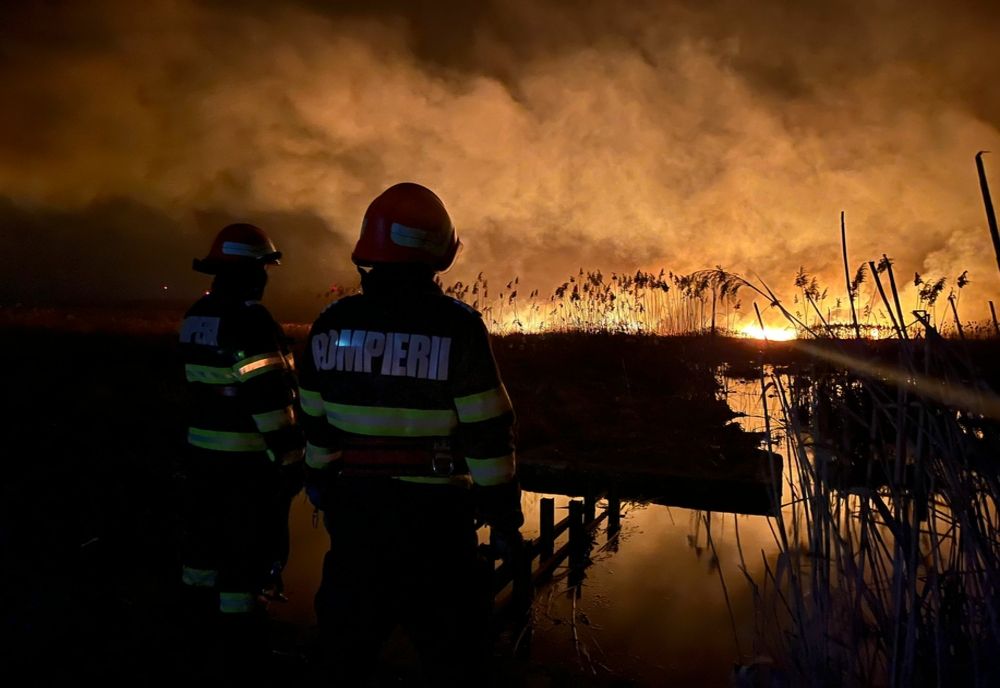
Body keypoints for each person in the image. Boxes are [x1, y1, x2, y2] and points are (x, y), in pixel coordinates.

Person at [298, 182, 523, 686]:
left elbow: (314, 424)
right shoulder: (458, 327)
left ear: (368, 253)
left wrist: (319, 483)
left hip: (355, 519)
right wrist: (504, 518)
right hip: (437, 526)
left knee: (342, 655)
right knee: (456, 658)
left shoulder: (331, 323)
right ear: (439, 254)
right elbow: (488, 433)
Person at [176, 222, 305, 674]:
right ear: (251, 273)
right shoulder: (251, 320)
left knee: (202, 554)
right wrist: (291, 459)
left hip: (200, 460)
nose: (266, 278)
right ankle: (242, 657)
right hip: (245, 466)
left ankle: (196, 644)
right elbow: (268, 399)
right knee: (245, 560)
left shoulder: (197, 314)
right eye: (263, 269)